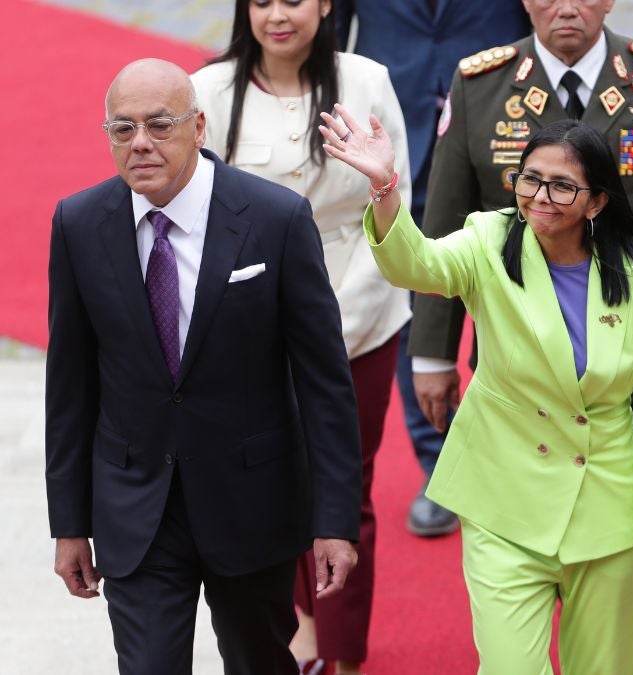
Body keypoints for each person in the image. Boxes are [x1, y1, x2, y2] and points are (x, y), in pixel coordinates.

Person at [323, 110, 633, 672]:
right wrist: (384, 186)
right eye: (530, 178)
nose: (540, 195)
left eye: (562, 185)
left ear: (596, 202)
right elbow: (415, 264)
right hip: (503, 501)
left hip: (611, 512)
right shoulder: (488, 240)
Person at [46, 58, 362, 674]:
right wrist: (69, 524)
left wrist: (334, 521)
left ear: (199, 127)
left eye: (160, 124)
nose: (140, 142)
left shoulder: (275, 219)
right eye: (122, 128)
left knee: (259, 663)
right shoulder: (80, 225)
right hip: (136, 508)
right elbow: (70, 386)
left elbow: (324, 385)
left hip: (251, 505)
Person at [189, 1, 411, 673]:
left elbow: (390, 200)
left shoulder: (366, 81)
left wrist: (326, 332)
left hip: (362, 313)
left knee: (347, 485)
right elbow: (197, 218)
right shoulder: (208, 91)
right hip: (246, 327)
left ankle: (344, 656)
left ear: (325, 6)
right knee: (267, 485)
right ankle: (295, 639)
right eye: (261, 2)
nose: (278, 15)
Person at [408, 0, 633, 442]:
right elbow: (445, 224)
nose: (566, 8)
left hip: (629, 339)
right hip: (516, 341)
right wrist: (433, 354)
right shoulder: (481, 86)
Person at [333, 0, 531, 538]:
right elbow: (324, 24)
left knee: (522, 291)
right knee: (412, 289)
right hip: (393, 125)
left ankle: (526, 456)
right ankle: (439, 461)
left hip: (509, 126)